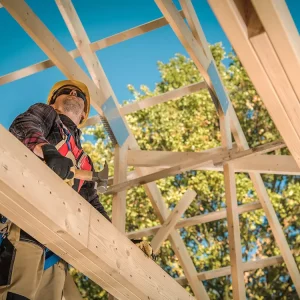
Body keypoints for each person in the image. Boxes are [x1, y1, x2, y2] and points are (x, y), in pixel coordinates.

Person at [0, 80, 110, 300]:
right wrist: (47, 150)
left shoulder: (84, 163)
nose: (72, 92)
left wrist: (122, 243)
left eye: (79, 94)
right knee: (16, 295)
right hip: (26, 225)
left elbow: (93, 208)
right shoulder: (47, 114)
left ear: (83, 116)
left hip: (55, 251)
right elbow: (24, 126)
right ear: (53, 101)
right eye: (65, 91)